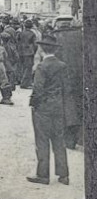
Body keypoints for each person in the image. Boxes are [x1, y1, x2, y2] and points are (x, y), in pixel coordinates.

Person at [27, 35, 68, 186]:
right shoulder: (62, 65)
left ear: (42, 49)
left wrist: (33, 104)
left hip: (43, 108)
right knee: (59, 140)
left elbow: (38, 89)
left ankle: (43, 175)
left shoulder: (42, 67)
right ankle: (63, 175)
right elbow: (65, 88)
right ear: (55, 50)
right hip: (58, 106)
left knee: (42, 140)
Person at [17, 20, 37, 89]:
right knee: (28, 68)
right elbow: (35, 44)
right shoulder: (32, 34)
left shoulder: (21, 33)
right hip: (29, 52)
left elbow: (17, 42)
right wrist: (34, 51)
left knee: (22, 67)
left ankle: (20, 80)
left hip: (21, 52)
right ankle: (25, 84)